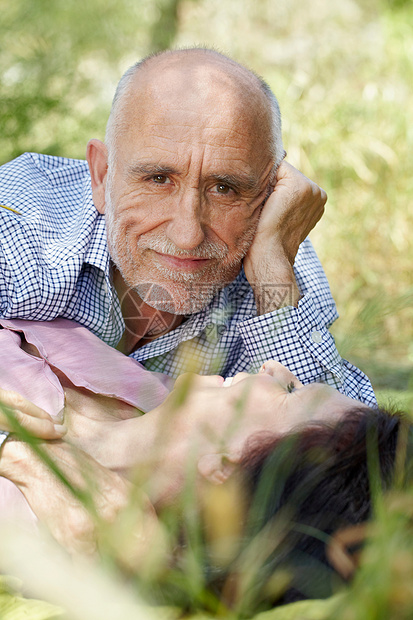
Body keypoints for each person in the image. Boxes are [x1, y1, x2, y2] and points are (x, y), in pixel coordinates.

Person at [0, 47, 375, 407]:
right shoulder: (27, 221)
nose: (187, 234)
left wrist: (272, 273)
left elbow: (338, 448)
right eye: (158, 179)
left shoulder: (278, 259)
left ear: (269, 190)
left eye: (224, 188)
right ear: (101, 176)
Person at [0, 317, 381, 559]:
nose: (274, 366)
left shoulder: (40, 520)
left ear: (229, 460)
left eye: (292, 392)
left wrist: (16, 452)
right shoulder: (151, 390)